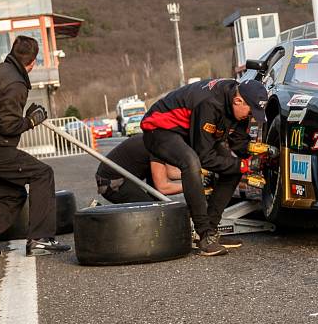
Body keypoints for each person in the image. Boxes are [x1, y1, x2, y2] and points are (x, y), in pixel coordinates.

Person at [0, 35, 71, 258]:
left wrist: (26, 118)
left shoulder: (0, 72)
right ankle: (40, 239)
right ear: (33, 62)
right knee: (42, 174)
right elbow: (8, 126)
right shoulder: (15, 82)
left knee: (13, 196)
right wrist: (31, 121)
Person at [141, 78, 268, 256]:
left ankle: (212, 231)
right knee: (191, 163)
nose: (251, 117)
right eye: (250, 112)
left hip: (190, 130)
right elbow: (205, 156)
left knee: (233, 170)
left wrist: (255, 153)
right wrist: (243, 164)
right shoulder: (210, 103)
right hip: (160, 129)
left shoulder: (237, 99)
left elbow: (237, 142)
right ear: (238, 101)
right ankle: (204, 234)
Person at [95, 133, 183, 203]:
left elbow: (170, 173)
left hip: (121, 178)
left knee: (158, 203)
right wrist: (190, 187)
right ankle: (98, 216)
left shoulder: (158, 138)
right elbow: (163, 188)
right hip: (112, 183)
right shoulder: (157, 147)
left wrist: (194, 175)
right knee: (150, 210)